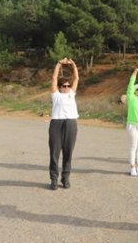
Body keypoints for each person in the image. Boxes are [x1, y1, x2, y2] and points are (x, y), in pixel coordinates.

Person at [48, 58, 79, 190]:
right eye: (64, 86)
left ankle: (65, 178)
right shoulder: (56, 96)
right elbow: (54, 78)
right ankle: (54, 179)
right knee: (55, 153)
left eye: (68, 86)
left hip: (71, 123)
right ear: (60, 87)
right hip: (57, 124)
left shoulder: (72, 94)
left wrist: (73, 65)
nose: (67, 88)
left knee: (68, 153)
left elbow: (76, 78)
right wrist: (59, 64)